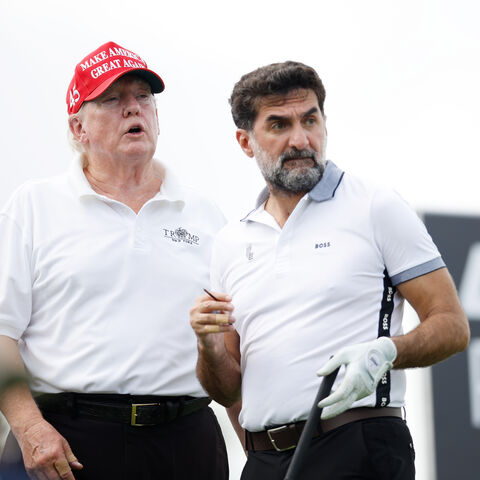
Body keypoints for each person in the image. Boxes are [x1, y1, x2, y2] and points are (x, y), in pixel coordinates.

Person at [190, 61, 470, 480]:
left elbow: (452, 325)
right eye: (279, 125)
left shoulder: (376, 206)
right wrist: (208, 347)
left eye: (310, 119)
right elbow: (227, 388)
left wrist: (386, 351)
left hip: (360, 447)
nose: (301, 139)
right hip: (265, 461)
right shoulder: (231, 241)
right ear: (246, 142)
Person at [0, 41, 228, 480]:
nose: (133, 109)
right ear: (78, 128)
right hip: (66, 443)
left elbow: (229, 345)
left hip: (187, 441)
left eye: (144, 97)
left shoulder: (206, 215)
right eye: (112, 99)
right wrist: (29, 428)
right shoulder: (33, 206)